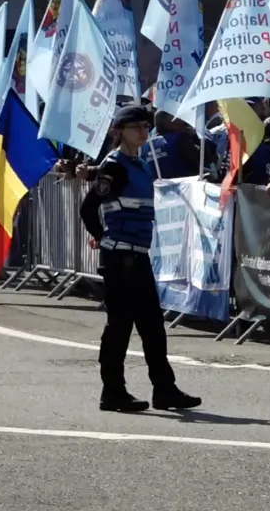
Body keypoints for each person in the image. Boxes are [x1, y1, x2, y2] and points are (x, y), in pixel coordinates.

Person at [79, 104, 201, 414]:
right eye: (136, 128)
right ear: (120, 132)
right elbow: (88, 208)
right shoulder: (115, 167)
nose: (143, 133)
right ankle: (113, 391)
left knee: (152, 325)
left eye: (146, 127)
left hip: (138, 256)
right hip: (120, 257)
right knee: (120, 325)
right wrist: (102, 235)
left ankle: (164, 389)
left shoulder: (139, 164)